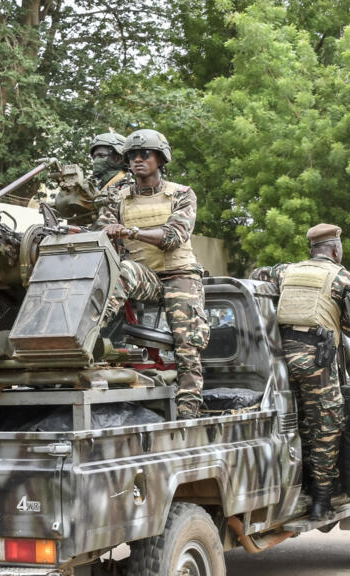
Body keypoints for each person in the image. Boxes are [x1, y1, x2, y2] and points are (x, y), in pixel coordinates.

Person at [250, 223, 350, 520]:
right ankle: (321, 499)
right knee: (326, 425)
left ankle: (295, 487)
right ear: (336, 249)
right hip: (317, 361)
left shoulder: (285, 271)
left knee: (294, 423)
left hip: (279, 361)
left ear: (312, 250)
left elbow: (257, 275)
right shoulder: (343, 278)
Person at [96, 129, 209, 419]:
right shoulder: (117, 198)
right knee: (119, 271)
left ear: (160, 158)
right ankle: (90, 334)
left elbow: (173, 236)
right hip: (143, 274)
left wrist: (129, 231)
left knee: (187, 342)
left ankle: (188, 410)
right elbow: (102, 236)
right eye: (131, 155)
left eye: (144, 154)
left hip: (179, 274)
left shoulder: (182, 194)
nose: (137, 160)